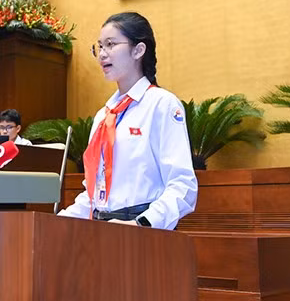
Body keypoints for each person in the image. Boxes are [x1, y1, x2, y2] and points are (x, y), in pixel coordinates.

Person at [58, 12, 197, 230]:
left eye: (111, 44)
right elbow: (95, 192)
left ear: (138, 50)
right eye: (99, 47)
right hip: (102, 229)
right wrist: (59, 221)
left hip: (143, 231)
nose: (102, 54)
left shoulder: (161, 104)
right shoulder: (103, 116)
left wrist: (141, 224)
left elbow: (183, 186)